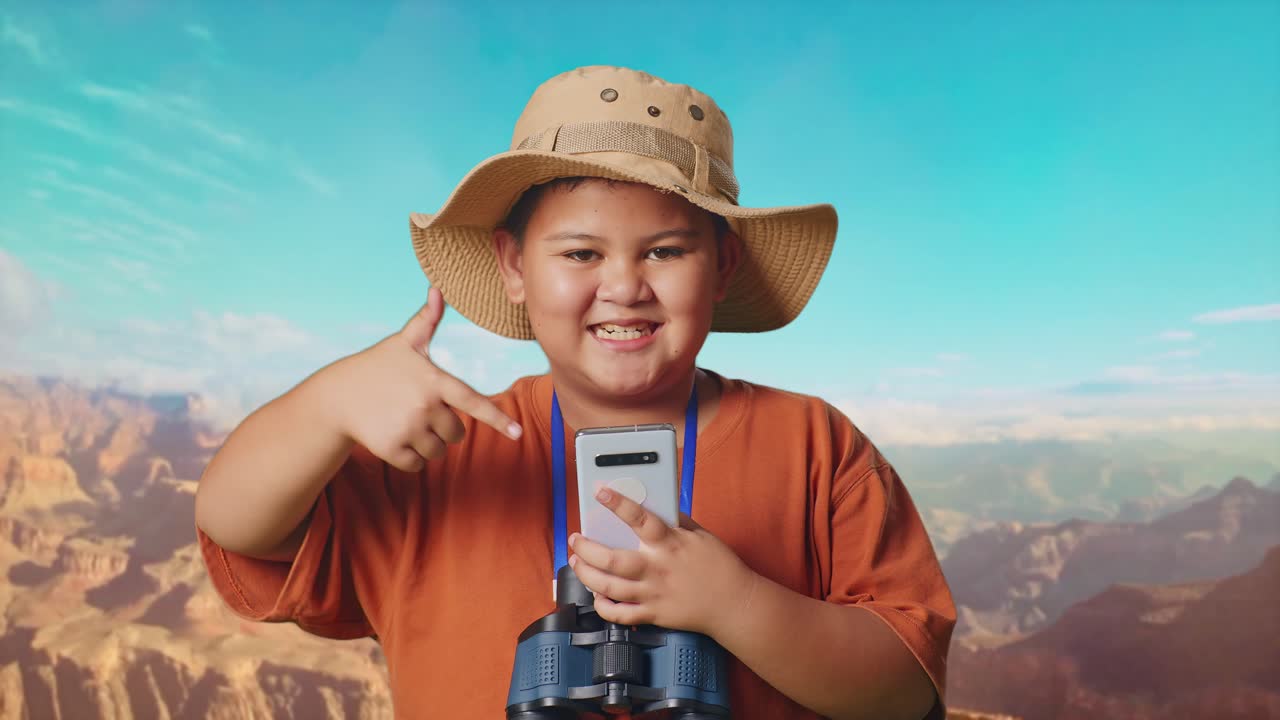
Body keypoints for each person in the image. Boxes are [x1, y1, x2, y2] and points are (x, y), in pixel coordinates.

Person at [195, 65, 955, 720]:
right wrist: (325, 406)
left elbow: (905, 685)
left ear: (721, 268)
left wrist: (736, 605)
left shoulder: (815, 448)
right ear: (515, 266)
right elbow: (237, 526)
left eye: (664, 250)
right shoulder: (446, 453)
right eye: (581, 252)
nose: (623, 286)